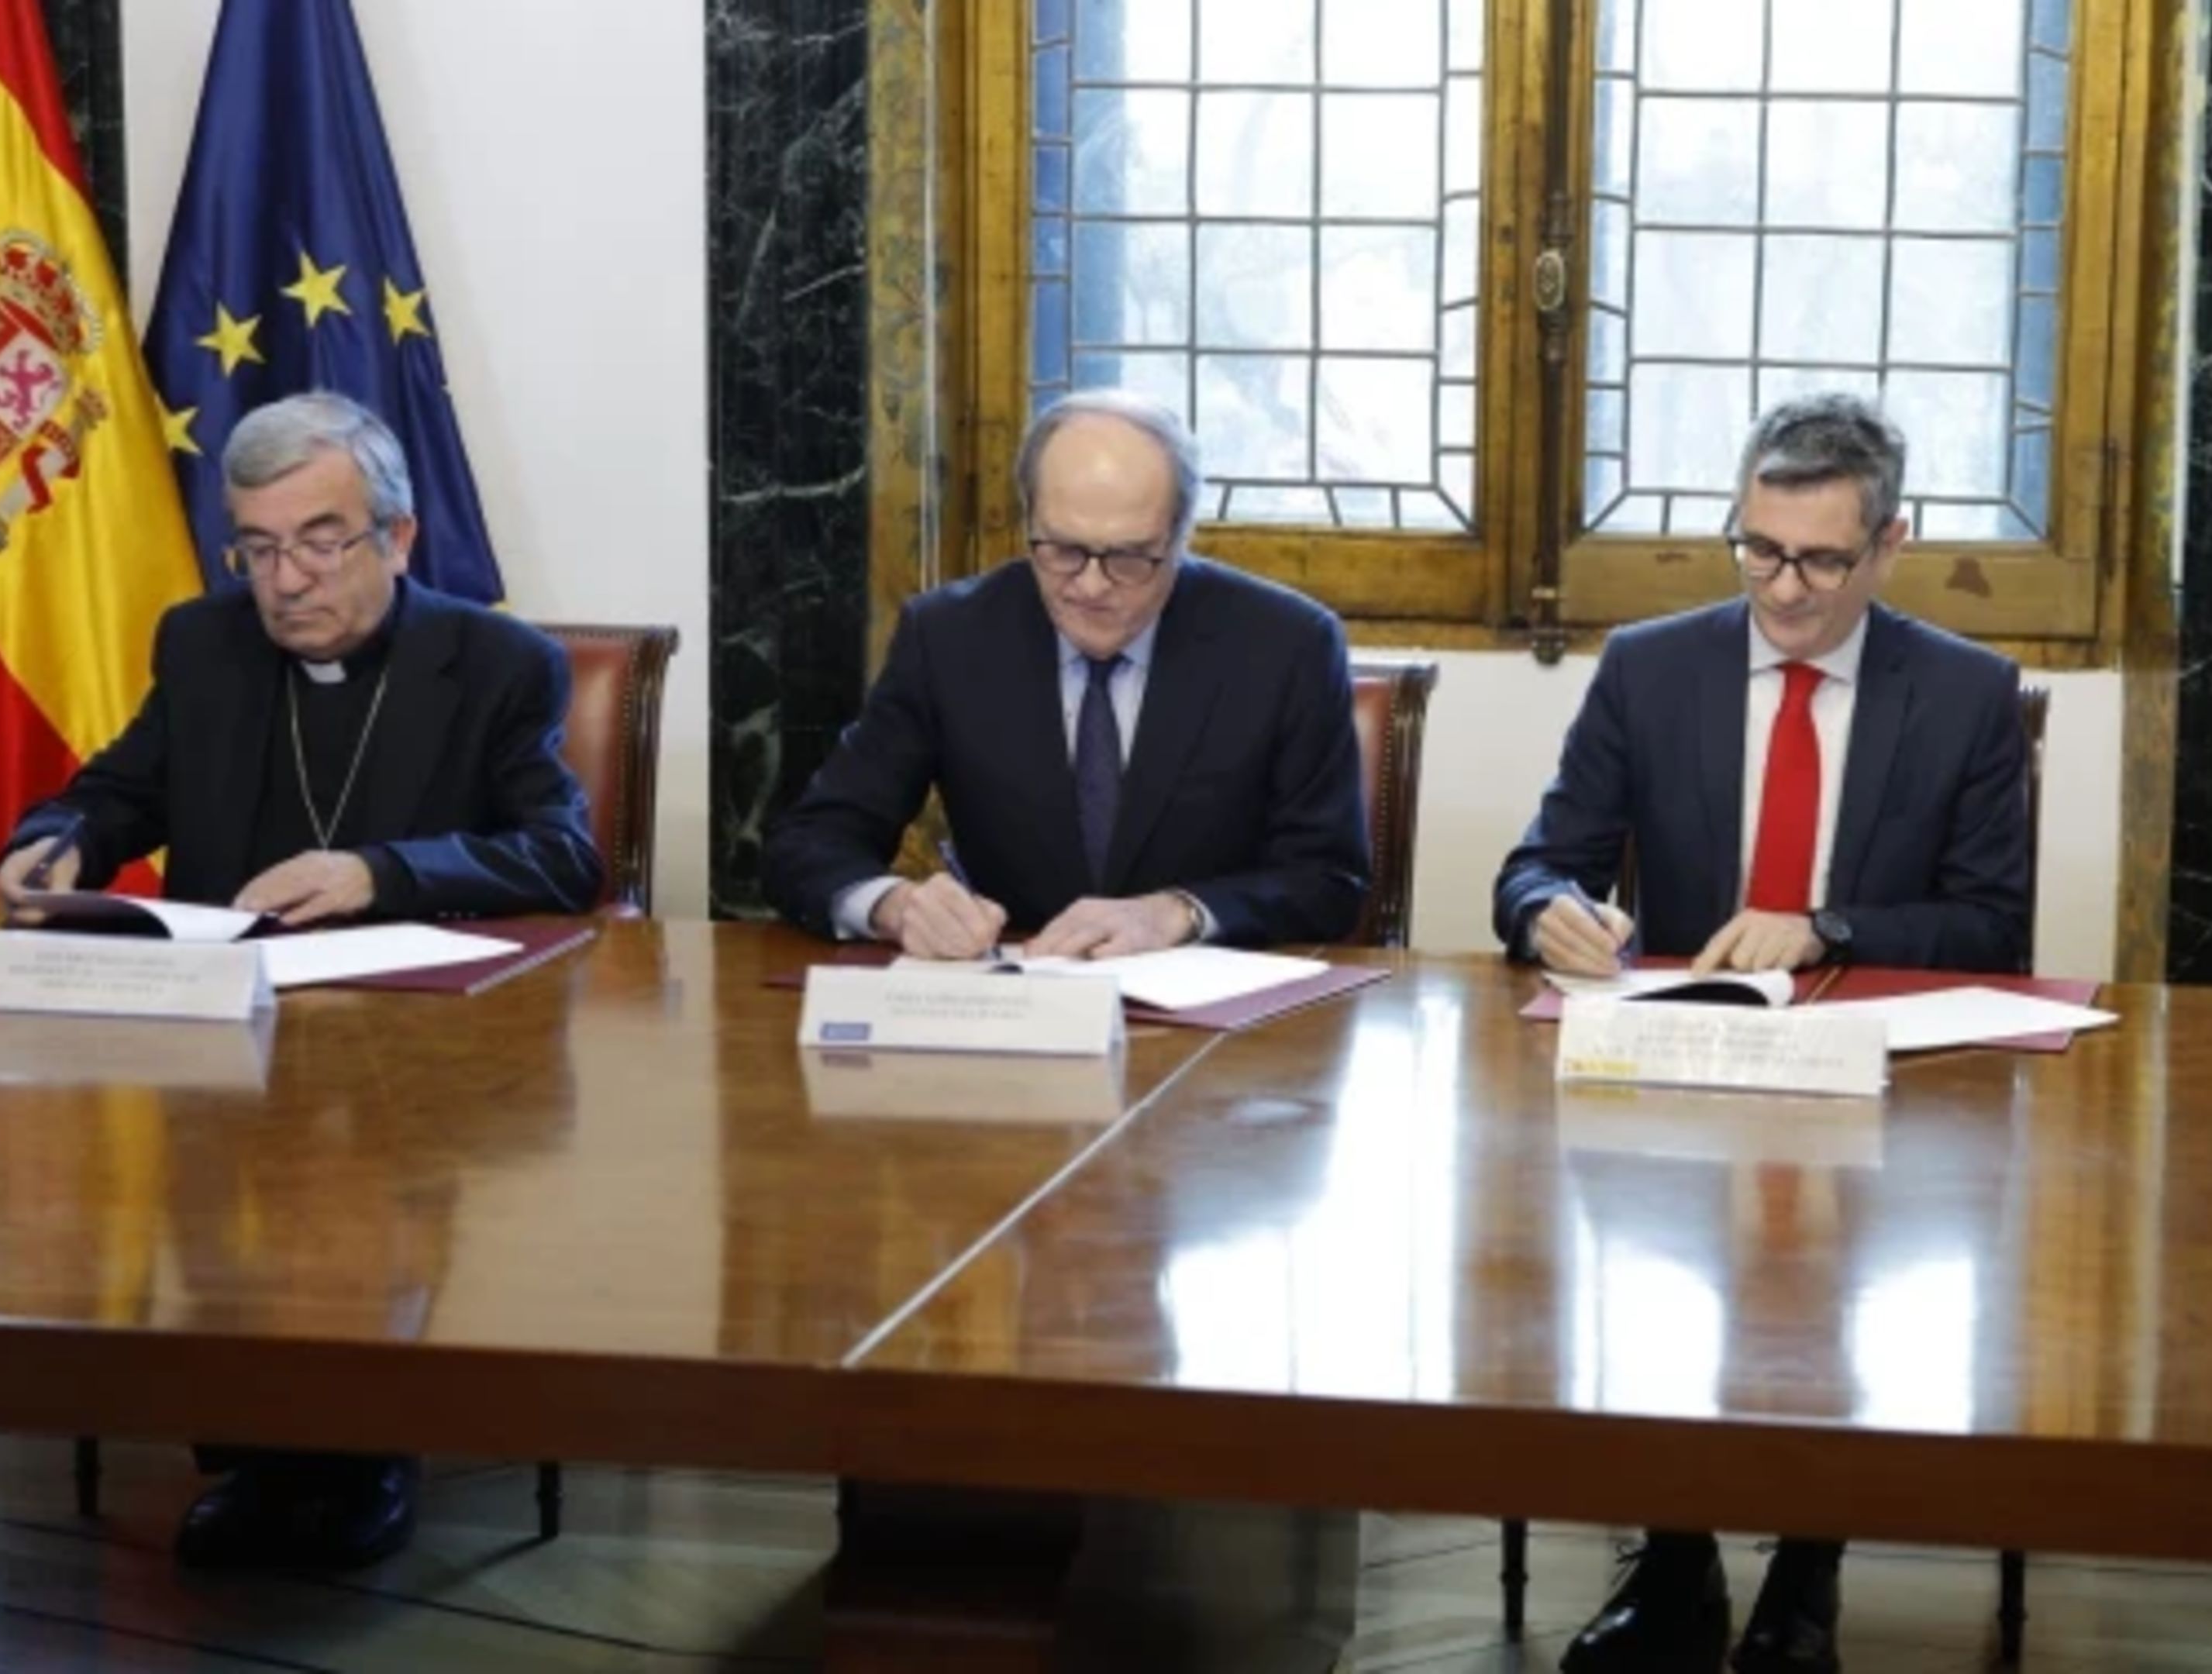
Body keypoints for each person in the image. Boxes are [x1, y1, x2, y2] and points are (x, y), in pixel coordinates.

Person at [0, 391, 604, 1570]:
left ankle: (358, 1454)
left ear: (398, 537)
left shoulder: (494, 663)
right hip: (222, 1052)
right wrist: (59, 839)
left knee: (351, 1212)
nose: (285, 582)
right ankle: (260, 1452)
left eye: (321, 543)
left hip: (412, 1066)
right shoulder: (204, 644)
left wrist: (380, 872)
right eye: (259, 549)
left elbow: (562, 857)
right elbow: (120, 790)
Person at [1492, 392, 2035, 1674]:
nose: (1783, 590)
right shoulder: (1652, 667)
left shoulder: (1964, 692)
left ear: (1890, 546)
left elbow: (1991, 927)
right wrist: (1551, 911)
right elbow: (1536, 865)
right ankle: (1673, 1563)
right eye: (1758, 550)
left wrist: (1826, 927)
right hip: (1683, 1073)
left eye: (1822, 562)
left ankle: (1806, 1570)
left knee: (1836, 1295)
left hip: (1881, 1086)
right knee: (1654, 1279)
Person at [766, 388, 1369, 955]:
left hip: (1216, 1013)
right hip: (1017, 997)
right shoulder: (948, 638)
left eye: (1129, 557)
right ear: (1028, 520)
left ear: (1181, 536)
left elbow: (1328, 880)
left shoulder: (1286, 645)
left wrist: (1180, 913)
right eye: (1063, 550)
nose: (1091, 586)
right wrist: (894, 907)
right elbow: (809, 843)